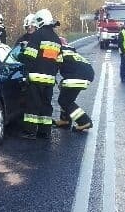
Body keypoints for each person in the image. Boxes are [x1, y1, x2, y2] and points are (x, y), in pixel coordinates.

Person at [18, 8, 62, 140]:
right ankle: (44, 132)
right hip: (49, 79)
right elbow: (59, 60)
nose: (35, 25)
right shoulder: (56, 39)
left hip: (36, 77)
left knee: (33, 105)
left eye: (37, 21)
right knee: (46, 106)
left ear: (41, 21)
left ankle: (30, 132)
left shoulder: (37, 35)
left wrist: (22, 54)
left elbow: (30, 56)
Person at [55, 38, 95, 131]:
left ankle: (84, 121)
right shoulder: (70, 51)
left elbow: (54, 65)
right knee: (64, 96)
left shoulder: (60, 51)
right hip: (84, 75)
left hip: (77, 76)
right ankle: (64, 120)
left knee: (65, 101)